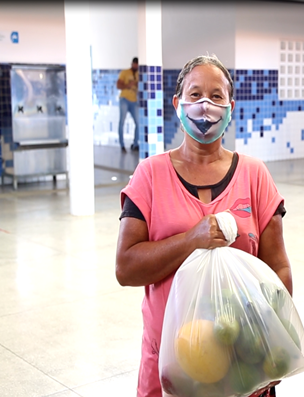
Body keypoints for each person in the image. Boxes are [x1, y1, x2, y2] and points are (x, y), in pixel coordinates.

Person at [115, 54, 291, 397]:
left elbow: (278, 267)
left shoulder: (255, 175)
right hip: (172, 365)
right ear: (178, 103)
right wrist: (189, 241)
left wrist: (277, 339)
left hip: (245, 360)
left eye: (216, 95)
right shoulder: (150, 176)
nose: (205, 105)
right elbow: (126, 269)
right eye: (195, 95)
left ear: (230, 106)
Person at [117, 57, 140, 152]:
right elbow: (118, 85)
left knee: (138, 123)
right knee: (122, 121)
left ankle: (135, 144)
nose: (135, 66)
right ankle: (122, 145)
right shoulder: (125, 72)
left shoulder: (139, 74)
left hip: (134, 100)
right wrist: (128, 85)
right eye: (134, 64)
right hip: (124, 99)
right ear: (132, 64)